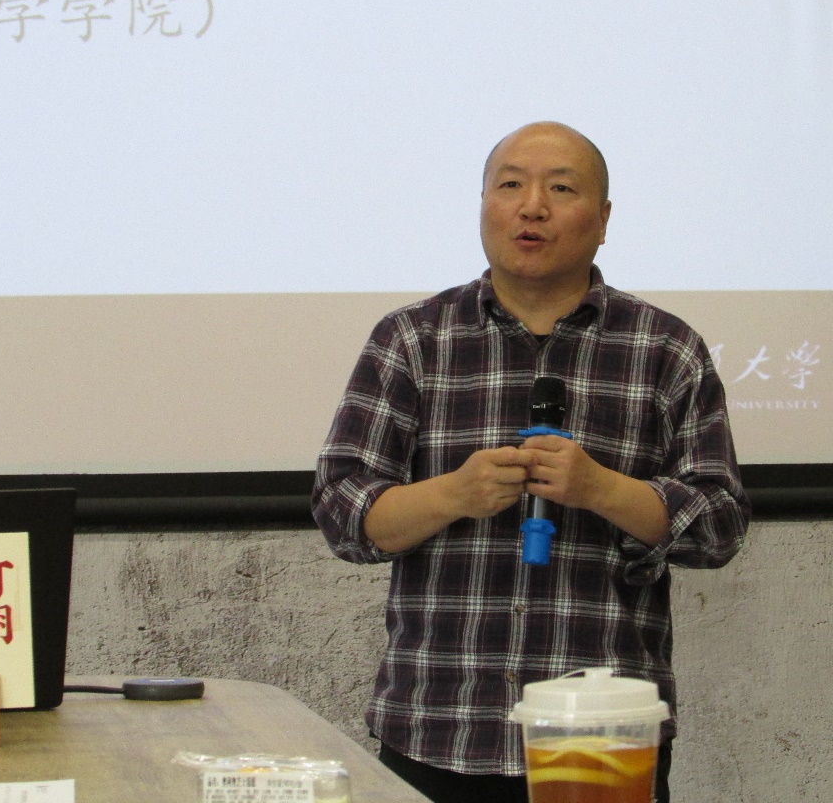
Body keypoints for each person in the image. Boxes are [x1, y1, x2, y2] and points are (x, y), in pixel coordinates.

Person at [313, 121, 749, 803]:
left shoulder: (665, 348)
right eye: (510, 184)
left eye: (561, 189)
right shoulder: (413, 339)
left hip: (602, 739)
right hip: (439, 725)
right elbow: (342, 511)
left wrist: (601, 489)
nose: (533, 206)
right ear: (483, 204)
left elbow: (719, 526)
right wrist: (453, 494)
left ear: (603, 219)